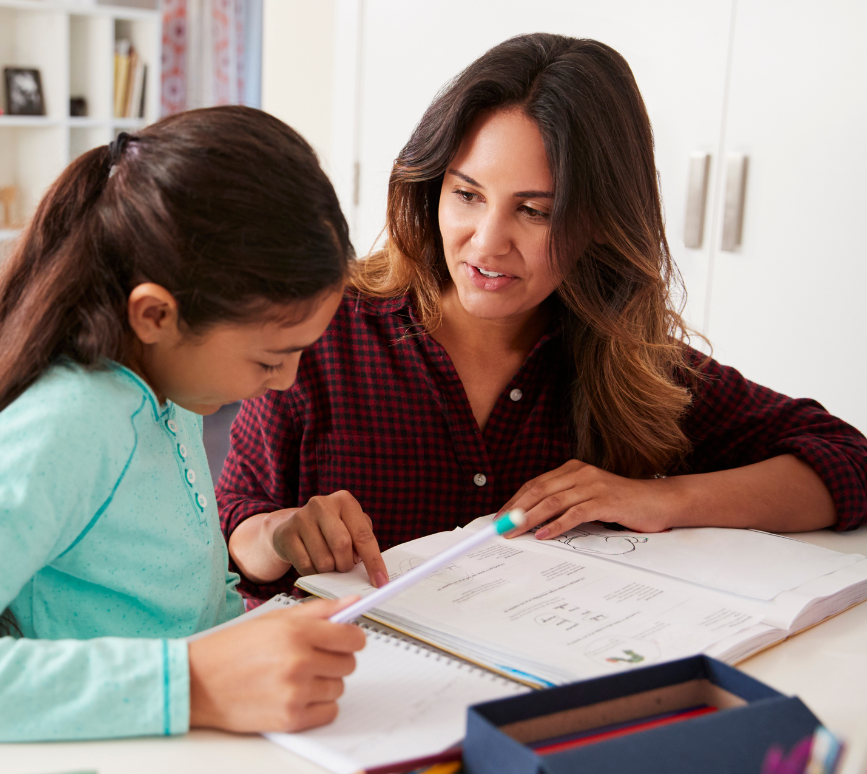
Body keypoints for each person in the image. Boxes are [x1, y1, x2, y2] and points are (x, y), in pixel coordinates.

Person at [217, 33, 867, 603]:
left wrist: (658, 500)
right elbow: (227, 531)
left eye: (535, 210)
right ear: (430, 185)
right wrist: (280, 533)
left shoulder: (628, 362)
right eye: (467, 194)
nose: (487, 243)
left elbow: (847, 463)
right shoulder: (325, 332)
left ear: (599, 223)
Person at [0, 106, 366, 747]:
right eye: (270, 358)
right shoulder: (71, 422)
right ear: (155, 315)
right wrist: (192, 681)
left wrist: (272, 542)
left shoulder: (168, 385)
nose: (288, 381)